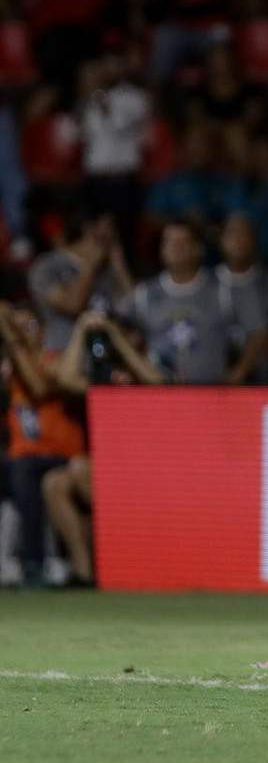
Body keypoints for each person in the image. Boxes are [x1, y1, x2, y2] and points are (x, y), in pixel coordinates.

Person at [43, 309, 163, 584]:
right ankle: (84, 572)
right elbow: (65, 378)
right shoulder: (102, 375)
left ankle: (128, 558)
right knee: (54, 483)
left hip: (149, 469)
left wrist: (118, 340)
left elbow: (157, 385)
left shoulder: (152, 362)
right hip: (110, 467)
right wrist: (81, 330)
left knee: (79, 467)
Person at [0, 302, 86, 586]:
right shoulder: (9, 368)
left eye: (30, 326)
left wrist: (11, 339)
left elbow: (38, 387)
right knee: (17, 468)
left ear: (44, 331)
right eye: (17, 326)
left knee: (22, 471)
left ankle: (34, 563)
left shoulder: (56, 360)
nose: (23, 332)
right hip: (21, 457)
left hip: (58, 455)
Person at [123, 222, 240, 384]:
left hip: (213, 395)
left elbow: (256, 332)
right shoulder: (145, 293)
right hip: (159, 395)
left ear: (198, 249)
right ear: (161, 249)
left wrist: (239, 372)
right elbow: (119, 330)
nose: (175, 248)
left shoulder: (222, 290)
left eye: (182, 242)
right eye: (169, 242)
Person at [28, 206, 135, 353]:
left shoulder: (107, 270)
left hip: (108, 358)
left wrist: (119, 265)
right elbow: (72, 305)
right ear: (89, 228)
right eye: (109, 227)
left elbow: (135, 312)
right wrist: (89, 266)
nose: (113, 236)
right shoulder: (47, 266)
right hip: (64, 356)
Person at [215, 213, 268, 383]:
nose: (238, 239)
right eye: (232, 233)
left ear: (254, 240)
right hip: (218, 380)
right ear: (221, 240)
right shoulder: (208, 283)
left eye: (244, 233)